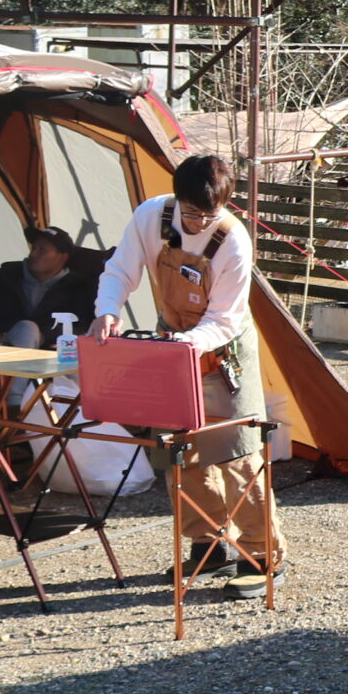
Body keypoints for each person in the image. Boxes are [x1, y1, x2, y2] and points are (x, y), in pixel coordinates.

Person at [91, 155, 278, 599]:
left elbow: (224, 318)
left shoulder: (233, 241)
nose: (198, 224)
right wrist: (106, 313)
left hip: (222, 352)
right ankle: (207, 544)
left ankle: (262, 555)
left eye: (209, 215)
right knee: (180, 449)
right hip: (172, 346)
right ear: (177, 200)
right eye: (192, 213)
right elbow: (120, 270)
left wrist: (186, 346)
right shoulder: (150, 216)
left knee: (237, 453)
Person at [0, 226, 101, 352]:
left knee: (28, 329)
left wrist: (43, 335)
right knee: (27, 329)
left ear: (62, 257)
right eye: (34, 248)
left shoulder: (77, 287)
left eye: (42, 249)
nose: (34, 254)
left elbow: (84, 328)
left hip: (49, 361)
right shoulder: (6, 279)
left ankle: (16, 385)